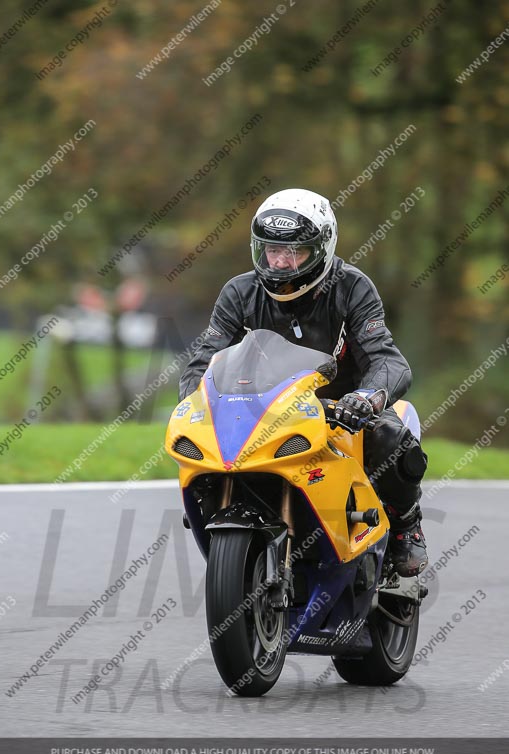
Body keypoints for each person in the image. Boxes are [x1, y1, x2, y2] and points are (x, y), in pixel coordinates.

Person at [179, 188, 428, 576]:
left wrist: (365, 398)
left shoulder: (352, 288)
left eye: (294, 252)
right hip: (261, 412)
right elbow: (203, 360)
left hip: (339, 413)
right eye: (270, 251)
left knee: (389, 435)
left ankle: (405, 527)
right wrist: (196, 400)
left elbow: (387, 359)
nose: (279, 263)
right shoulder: (239, 292)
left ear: (322, 248)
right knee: (203, 460)